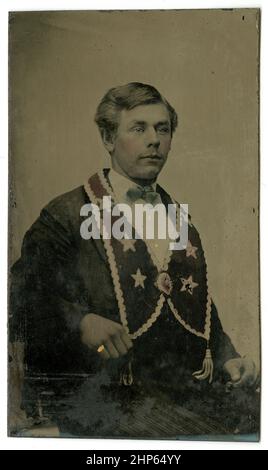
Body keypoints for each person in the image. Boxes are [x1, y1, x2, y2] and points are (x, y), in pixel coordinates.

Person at [9, 82, 259, 438]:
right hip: (104, 398)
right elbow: (20, 300)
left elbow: (197, 308)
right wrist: (81, 322)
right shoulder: (67, 214)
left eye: (163, 129)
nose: (154, 139)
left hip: (179, 392)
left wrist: (227, 358)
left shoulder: (177, 216)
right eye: (138, 128)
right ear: (109, 138)